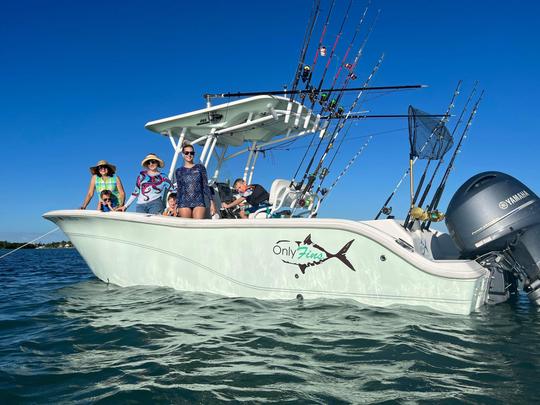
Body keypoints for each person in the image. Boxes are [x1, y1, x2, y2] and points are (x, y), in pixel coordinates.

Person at [175, 144, 216, 219]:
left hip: (199, 201)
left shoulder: (200, 167)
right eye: (186, 153)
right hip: (183, 202)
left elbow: (205, 186)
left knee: (197, 227)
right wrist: (176, 204)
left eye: (191, 153)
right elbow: (179, 188)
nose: (189, 154)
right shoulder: (178, 171)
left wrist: (212, 202)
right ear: (183, 154)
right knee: (186, 226)